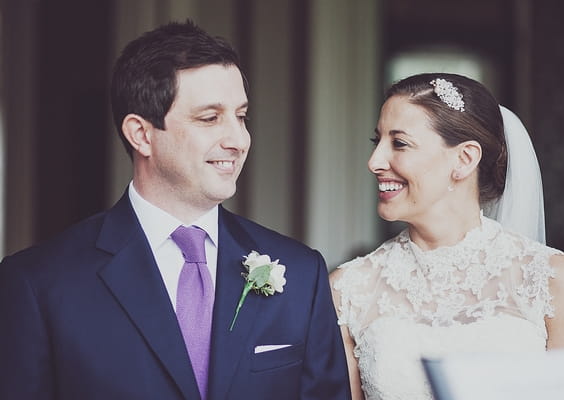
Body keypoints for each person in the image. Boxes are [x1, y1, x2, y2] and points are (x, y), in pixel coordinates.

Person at [0, 21, 350, 400]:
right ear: (141, 134)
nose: (238, 140)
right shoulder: (37, 284)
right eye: (210, 118)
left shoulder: (302, 273)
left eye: (242, 116)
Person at [329, 73, 564, 400]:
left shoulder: (553, 279)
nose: (374, 162)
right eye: (378, 142)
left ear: (464, 159)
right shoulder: (349, 289)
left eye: (399, 143)